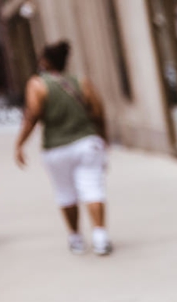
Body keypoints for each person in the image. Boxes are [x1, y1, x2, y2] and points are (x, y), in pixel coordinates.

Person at [14, 40, 110, 256]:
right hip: (87, 142)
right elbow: (98, 109)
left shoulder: (37, 84)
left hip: (56, 147)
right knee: (93, 187)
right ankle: (100, 236)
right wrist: (104, 138)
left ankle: (76, 237)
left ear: (45, 61)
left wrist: (20, 144)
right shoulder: (81, 81)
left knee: (65, 192)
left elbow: (32, 115)